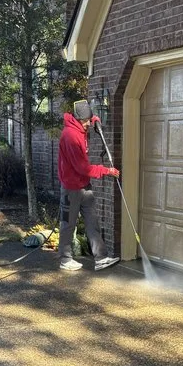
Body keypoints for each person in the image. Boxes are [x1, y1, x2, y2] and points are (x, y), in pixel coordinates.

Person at [57, 100, 121, 272]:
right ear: (77, 119)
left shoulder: (82, 126)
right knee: (68, 224)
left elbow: (90, 120)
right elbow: (83, 168)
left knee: (92, 222)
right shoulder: (70, 136)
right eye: (85, 121)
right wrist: (106, 171)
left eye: (88, 119)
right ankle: (65, 259)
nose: (87, 123)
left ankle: (101, 258)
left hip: (84, 186)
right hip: (71, 187)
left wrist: (95, 120)